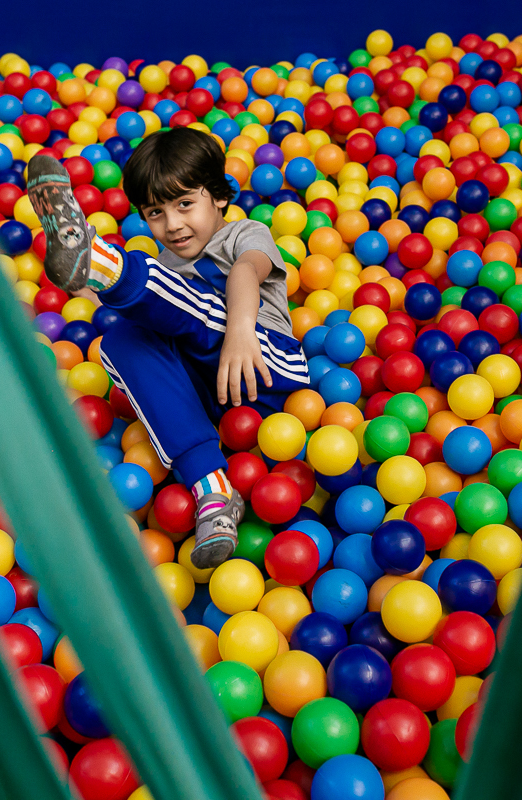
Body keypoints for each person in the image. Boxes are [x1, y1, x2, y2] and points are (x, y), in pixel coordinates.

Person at [27, 128, 309, 569]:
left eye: (184, 204)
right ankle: (212, 490)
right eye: (155, 212)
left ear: (218, 196)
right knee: (121, 338)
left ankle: (100, 262)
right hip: (212, 397)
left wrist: (239, 330)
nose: (172, 224)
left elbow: (245, 275)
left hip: (265, 364)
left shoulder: (244, 234)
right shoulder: (165, 265)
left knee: (175, 304)